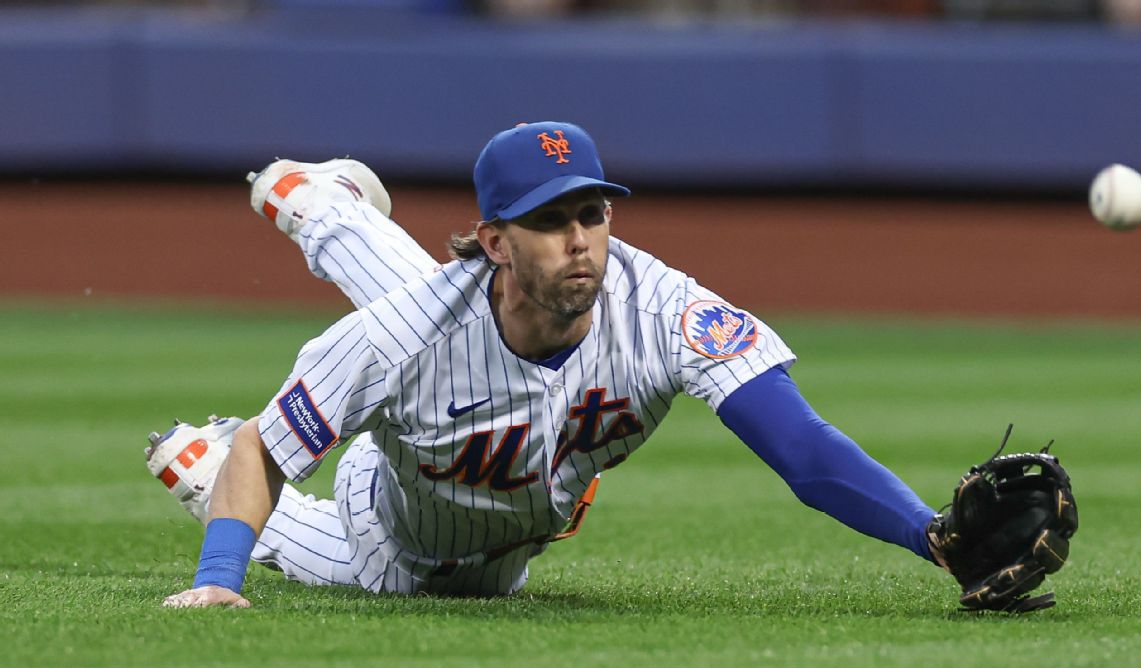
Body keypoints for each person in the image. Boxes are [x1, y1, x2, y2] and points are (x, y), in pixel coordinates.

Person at [149, 121, 944, 608]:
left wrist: (932, 533)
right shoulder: (406, 335)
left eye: (591, 213)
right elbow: (267, 446)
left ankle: (311, 195)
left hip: (512, 509)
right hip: (401, 533)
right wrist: (221, 574)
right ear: (496, 238)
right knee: (411, 337)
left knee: (436, 314)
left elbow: (802, 447)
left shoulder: (660, 307)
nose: (579, 238)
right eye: (549, 219)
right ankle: (198, 461)